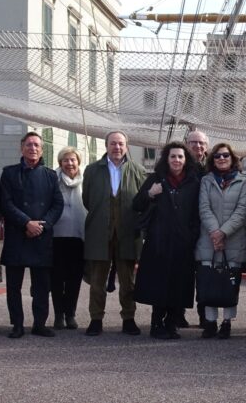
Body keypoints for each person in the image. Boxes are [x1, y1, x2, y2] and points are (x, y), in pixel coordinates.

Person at [133, 141, 201, 339]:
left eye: (180, 156)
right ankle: (156, 324)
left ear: (186, 159)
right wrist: (150, 194)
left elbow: (197, 213)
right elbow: (136, 205)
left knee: (179, 284)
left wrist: (191, 236)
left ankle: (172, 323)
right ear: (166, 159)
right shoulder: (156, 179)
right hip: (158, 242)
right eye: (173, 156)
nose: (177, 160)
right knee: (159, 284)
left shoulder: (193, 182)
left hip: (183, 243)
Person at [82, 130, 147, 336]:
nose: (117, 147)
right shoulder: (92, 170)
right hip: (99, 232)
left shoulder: (138, 170)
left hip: (127, 233)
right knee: (97, 282)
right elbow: (87, 199)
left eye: (120, 144)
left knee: (128, 281)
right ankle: (96, 319)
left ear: (126, 146)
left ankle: (129, 318)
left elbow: (142, 202)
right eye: (113, 144)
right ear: (106, 146)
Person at [0, 131, 64, 338]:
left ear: (42, 150)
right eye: (29, 145)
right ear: (22, 148)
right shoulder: (9, 173)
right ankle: (17, 324)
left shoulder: (50, 176)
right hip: (17, 235)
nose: (33, 148)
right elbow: (6, 203)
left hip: (41, 237)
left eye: (36, 145)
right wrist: (26, 222)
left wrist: (42, 225)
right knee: (13, 287)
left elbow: (57, 204)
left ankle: (39, 323)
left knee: (41, 286)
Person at [195, 142, 246, 339]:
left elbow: (242, 211)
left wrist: (224, 232)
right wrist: (215, 233)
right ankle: (210, 323)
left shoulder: (243, 182)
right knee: (209, 281)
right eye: (217, 156)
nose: (221, 159)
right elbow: (203, 208)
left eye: (225, 155)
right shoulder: (206, 181)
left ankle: (226, 322)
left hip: (233, 240)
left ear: (232, 158)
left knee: (229, 283)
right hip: (208, 240)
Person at [51, 146, 87, 330]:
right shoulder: (53, 179)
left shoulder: (86, 180)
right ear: (60, 163)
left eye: (73, 160)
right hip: (57, 236)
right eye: (66, 160)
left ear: (78, 162)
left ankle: (70, 314)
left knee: (74, 278)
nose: (69, 163)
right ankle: (58, 315)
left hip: (79, 237)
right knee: (57, 279)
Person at [185, 129, 210, 329]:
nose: (197, 146)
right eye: (193, 143)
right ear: (186, 144)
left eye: (201, 143)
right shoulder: (178, 164)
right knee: (182, 272)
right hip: (184, 227)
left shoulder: (212, 167)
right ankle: (177, 313)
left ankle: (204, 315)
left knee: (204, 274)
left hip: (206, 227)